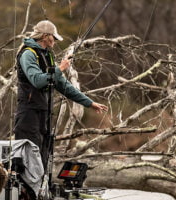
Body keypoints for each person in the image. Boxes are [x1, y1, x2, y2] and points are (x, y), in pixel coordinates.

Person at [14, 20, 108, 167]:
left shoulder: (47, 55)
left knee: (43, 157)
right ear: (45, 36)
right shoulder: (28, 54)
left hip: (43, 114)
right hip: (28, 114)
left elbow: (63, 86)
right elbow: (37, 81)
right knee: (29, 159)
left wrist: (89, 103)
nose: (56, 41)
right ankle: (27, 190)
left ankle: (41, 189)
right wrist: (60, 68)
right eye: (54, 37)